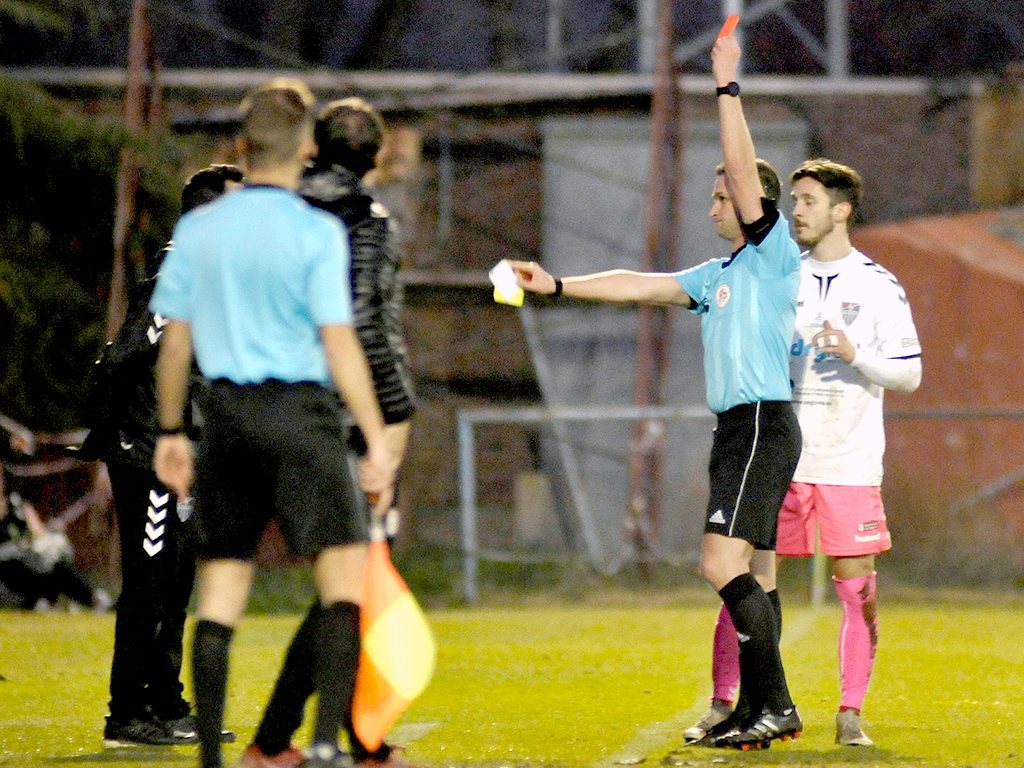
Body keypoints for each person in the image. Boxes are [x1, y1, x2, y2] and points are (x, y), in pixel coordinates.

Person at [508, 34, 803, 751]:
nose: (712, 208)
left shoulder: (771, 253)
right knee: (753, 573)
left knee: (718, 564)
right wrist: (556, 284)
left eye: (720, 197)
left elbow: (741, 168)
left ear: (749, 199)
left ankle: (777, 706)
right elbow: (640, 285)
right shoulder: (718, 273)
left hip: (762, 422)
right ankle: (756, 712)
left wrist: (726, 89)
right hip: (739, 427)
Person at [150, 78, 397, 768]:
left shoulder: (199, 229)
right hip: (302, 415)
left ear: (242, 144)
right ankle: (322, 747)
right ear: (306, 147)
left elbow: (176, 343)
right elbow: (340, 342)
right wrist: (376, 439)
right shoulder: (315, 230)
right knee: (342, 581)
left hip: (227, 418)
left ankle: (208, 759)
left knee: (222, 592)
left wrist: (172, 432)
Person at [683, 159, 922, 748]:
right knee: (743, 576)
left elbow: (910, 374)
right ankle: (727, 703)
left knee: (855, 586)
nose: (797, 209)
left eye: (809, 200)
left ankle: (850, 713)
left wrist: (856, 354)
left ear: (841, 210)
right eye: (794, 199)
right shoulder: (776, 272)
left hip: (849, 459)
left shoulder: (878, 284)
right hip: (778, 456)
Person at [238, 97, 417, 768]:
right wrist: (392, 417)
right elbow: (367, 325)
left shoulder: (279, 209)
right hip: (345, 418)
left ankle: (305, 740)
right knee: (353, 581)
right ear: (375, 157)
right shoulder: (364, 218)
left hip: (272, 407)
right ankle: (315, 741)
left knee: (339, 584)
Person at [73, 164, 244, 748]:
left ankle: (167, 705)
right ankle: (128, 713)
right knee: (150, 583)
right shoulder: (179, 267)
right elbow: (127, 353)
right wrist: (123, 435)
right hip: (149, 453)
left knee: (172, 581)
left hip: (175, 452)